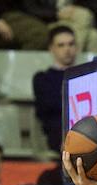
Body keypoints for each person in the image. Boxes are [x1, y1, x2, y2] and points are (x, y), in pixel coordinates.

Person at [32, 24, 78, 153]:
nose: (67, 49)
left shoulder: (86, 76)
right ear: (51, 48)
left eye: (71, 44)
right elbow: (46, 110)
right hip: (57, 134)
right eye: (61, 45)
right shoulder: (42, 78)